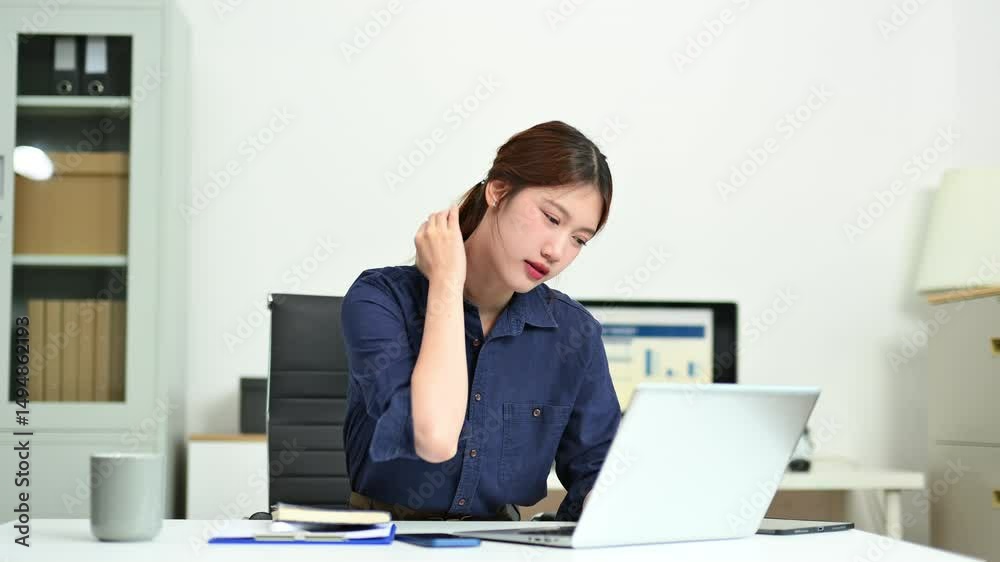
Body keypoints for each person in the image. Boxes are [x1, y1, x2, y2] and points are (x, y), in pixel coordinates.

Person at [341, 120, 621, 521]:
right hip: (388, 538)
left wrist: (609, 501)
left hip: (502, 541)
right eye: (551, 218)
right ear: (498, 191)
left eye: (579, 239)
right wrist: (446, 283)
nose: (557, 251)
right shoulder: (380, 300)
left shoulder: (574, 333)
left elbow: (600, 471)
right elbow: (435, 438)